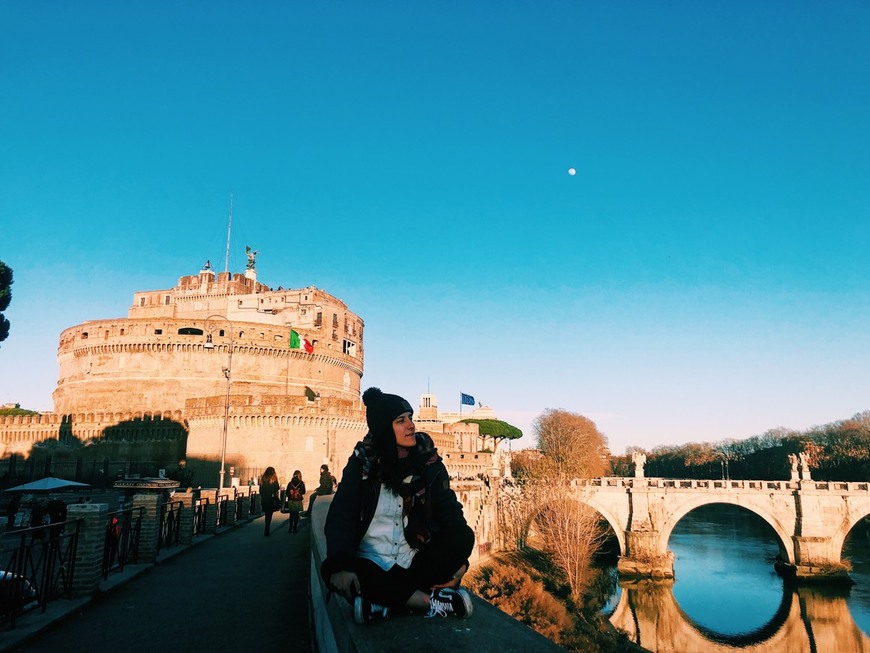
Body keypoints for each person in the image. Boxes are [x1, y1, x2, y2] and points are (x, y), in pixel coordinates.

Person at [321, 387, 475, 624]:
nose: (411, 425)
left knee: (463, 536)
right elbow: (342, 515)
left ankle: (384, 604)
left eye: (411, 418)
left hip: (413, 558)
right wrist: (341, 563)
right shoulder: (362, 465)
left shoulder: (428, 462)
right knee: (338, 570)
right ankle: (431, 602)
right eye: (401, 420)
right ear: (384, 429)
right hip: (371, 561)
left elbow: (451, 513)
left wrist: (460, 565)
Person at [259, 466, 280, 536]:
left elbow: (260, 491)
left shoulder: (263, 479)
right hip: (271, 499)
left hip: (264, 499)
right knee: (269, 514)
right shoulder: (273, 479)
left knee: (266, 514)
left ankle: (266, 527)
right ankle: (267, 528)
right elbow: (277, 488)